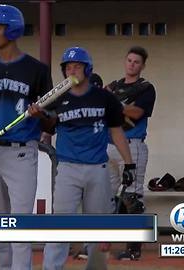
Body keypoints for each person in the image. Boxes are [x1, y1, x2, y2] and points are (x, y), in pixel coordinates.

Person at [28, 46, 135, 270]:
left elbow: (116, 131)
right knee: (61, 224)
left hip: (98, 167)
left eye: (77, 66)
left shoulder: (104, 98)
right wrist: (41, 116)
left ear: (87, 69)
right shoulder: (58, 98)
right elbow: (50, 126)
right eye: (68, 67)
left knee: (96, 226)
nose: (72, 71)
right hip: (68, 167)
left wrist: (129, 163)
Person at [0, 4, 53, 270]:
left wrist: (40, 116)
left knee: (20, 224)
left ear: (12, 29)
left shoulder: (36, 70)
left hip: (22, 153)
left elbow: (52, 119)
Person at [106, 46, 156, 260]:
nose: (132, 64)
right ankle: (101, 245)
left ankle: (133, 249)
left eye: (136, 62)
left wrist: (114, 104)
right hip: (108, 145)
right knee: (104, 196)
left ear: (142, 65)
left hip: (133, 143)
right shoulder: (114, 85)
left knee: (132, 196)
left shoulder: (146, 88)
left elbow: (136, 112)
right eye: (129, 60)